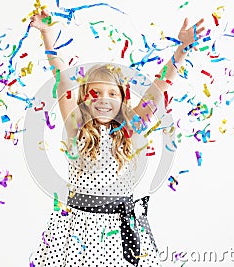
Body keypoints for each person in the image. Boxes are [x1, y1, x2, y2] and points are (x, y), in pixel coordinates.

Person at [29, 8, 204, 267]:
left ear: (123, 99)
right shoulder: (76, 127)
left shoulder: (130, 129)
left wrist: (181, 52)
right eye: (95, 92)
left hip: (120, 228)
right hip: (78, 227)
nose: (103, 99)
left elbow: (158, 91)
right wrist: (47, 35)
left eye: (112, 93)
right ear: (84, 99)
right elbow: (63, 81)